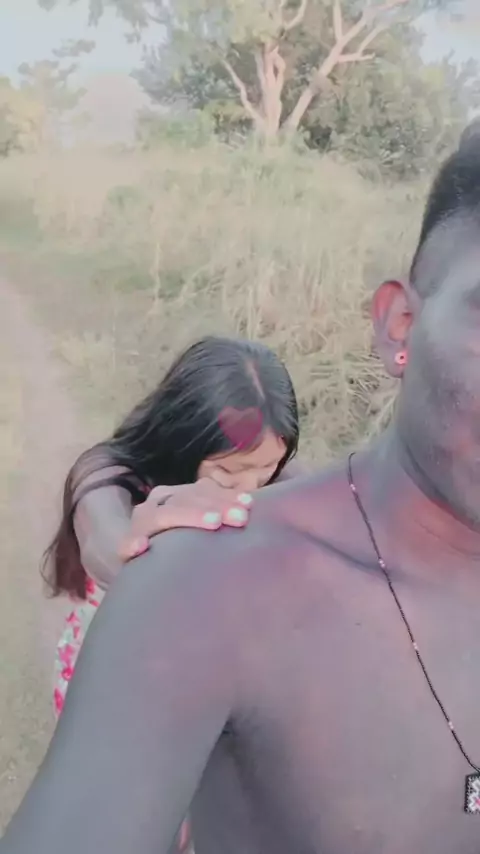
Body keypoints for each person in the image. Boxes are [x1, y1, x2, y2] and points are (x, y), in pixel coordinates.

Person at [4, 133, 480, 854]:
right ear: (400, 326)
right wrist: (111, 528)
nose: (245, 486)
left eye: (263, 469)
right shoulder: (211, 581)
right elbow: (112, 463)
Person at [45, 335, 299, 720]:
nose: (249, 488)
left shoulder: (274, 468)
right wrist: (137, 550)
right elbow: (103, 541)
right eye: (227, 471)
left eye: (267, 469)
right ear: (182, 440)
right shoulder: (108, 470)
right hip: (113, 662)